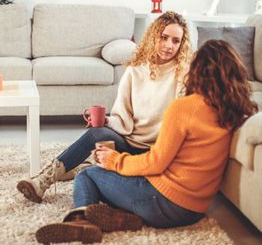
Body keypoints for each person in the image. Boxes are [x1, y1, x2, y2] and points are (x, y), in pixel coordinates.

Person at [35, 39, 257, 244]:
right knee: (126, 178)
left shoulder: (185, 107)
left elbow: (156, 163)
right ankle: (124, 218)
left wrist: (115, 161)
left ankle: (82, 222)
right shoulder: (236, 113)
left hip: (162, 203)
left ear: (197, 71)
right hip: (194, 211)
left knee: (88, 175)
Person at [17, 11, 192, 203]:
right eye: (164, 37)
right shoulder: (135, 70)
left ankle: (79, 168)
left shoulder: (184, 73)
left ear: (182, 44)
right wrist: (106, 120)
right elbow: (123, 117)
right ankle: (42, 181)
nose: (168, 46)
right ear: (153, 36)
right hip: (131, 144)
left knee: (99, 171)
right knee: (96, 133)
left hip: (159, 153)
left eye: (176, 41)